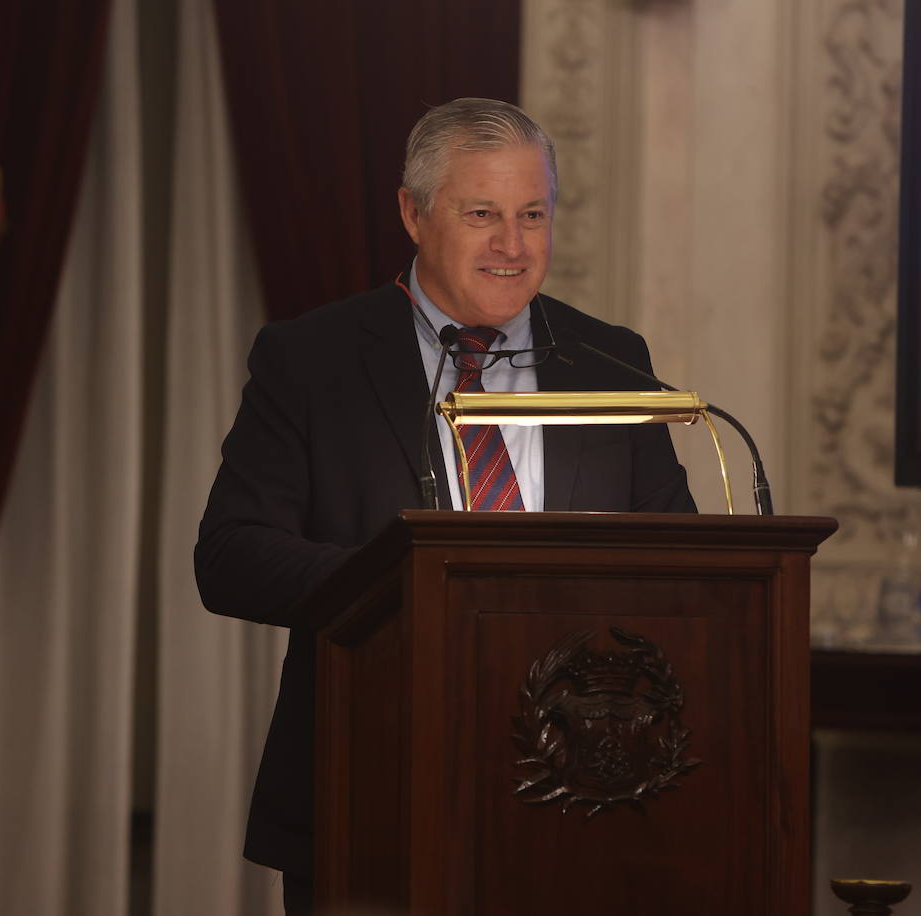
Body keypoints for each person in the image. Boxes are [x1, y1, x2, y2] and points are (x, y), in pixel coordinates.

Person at [195, 97, 695, 914]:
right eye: (482, 214)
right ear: (413, 214)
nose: (512, 245)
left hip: (585, 801)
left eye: (533, 214)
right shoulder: (313, 359)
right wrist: (410, 586)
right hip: (372, 793)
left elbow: (684, 567)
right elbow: (231, 557)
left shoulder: (610, 360)